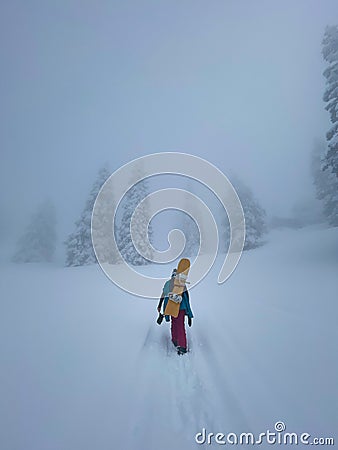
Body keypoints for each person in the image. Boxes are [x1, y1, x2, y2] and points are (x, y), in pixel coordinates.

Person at [157, 267, 194, 355]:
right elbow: (186, 298)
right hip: (181, 308)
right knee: (180, 325)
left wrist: (159, 306)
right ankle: (182, 346)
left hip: (171, 307)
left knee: (174, 323)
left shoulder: (167, 284)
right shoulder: (182, 284)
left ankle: (175, 340)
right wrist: (189, 314)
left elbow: (163, 295)